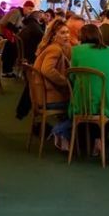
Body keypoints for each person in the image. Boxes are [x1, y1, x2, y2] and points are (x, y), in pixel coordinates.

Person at [53, 24, 109, 156]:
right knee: (107, 102)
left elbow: (72, 77)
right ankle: (100, 139)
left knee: (91, 101)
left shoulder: (76, 51)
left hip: (82, 102)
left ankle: (88, 139)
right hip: (107, 101)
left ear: (82, 36)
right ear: (99, 35)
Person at [32, 18, 72, 150]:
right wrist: (65, 82)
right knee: (80, 108)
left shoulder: (49, 47)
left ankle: (64, 140)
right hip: (49, 98)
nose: (66, 35)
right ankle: (58, 130)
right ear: (54, 35)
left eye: (67, 32)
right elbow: (47, 70)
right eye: (62, 33)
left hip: (42, 96)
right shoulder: (55, 49)